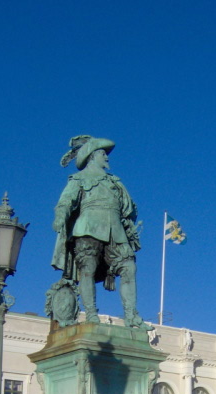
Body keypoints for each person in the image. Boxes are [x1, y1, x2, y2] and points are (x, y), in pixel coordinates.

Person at [51, 135, 151, 329]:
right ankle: (91, 315)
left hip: (116, 231)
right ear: (92, 155)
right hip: (88, 228)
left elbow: (128, 208)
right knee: (87, 270)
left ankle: (131, 316)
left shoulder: (115, 181)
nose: (107, 158)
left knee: (129, 267)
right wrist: (60, 217)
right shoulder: (79, 178)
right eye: (103, 154)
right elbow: (65, 201)